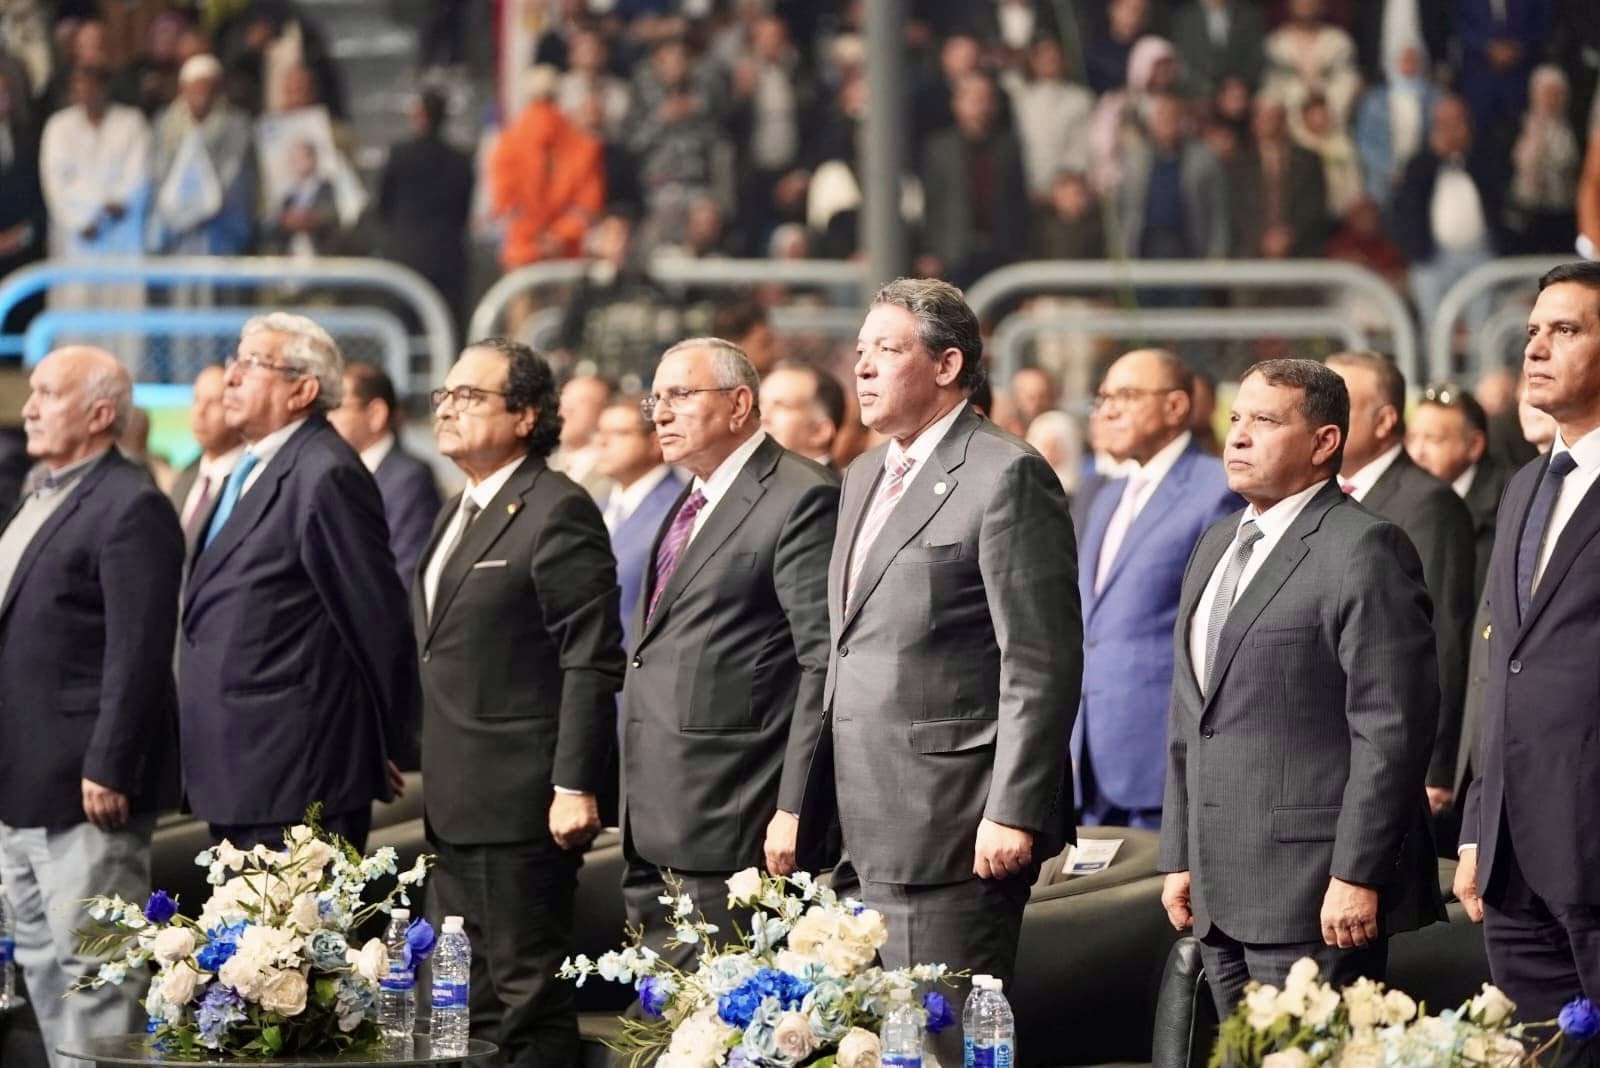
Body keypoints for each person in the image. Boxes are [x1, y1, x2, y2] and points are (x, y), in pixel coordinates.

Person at [796, 278, 1081, 1058]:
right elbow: (845, 648)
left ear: (948, 364)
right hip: (853, 824)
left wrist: (1014, 809)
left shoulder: (1006, 473)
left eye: (886, 350)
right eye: (859, 351)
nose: (862, 368)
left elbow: (1040, 660)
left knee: (941, 1047)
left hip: (950, 827)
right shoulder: (863, 474)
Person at [1159, 358, 1444, 1014]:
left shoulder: (1364, 548)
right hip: (1217, 890)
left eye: (1264, 420)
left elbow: (1392, 730)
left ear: (1324, 442)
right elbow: (1190, 715)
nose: (1237, 435)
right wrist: (1180, 853)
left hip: (1316, 895)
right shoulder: (1216, 542)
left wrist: (1357, 873)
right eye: (1236, 418)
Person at [417, 338, 626, 1068]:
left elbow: (590, 657)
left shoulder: (557, 508)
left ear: (526, 415)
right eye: (444, 395)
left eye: (469, 396)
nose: (448, 409)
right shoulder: (455, 511)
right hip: (455, 800)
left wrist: (573, 784)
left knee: (525, 1001)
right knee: (460, 1005)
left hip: (523, 802)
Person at [621, 337, 837, 965]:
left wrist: (795, 805)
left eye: (680, 395)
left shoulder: (800, 494)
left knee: (722, 1018)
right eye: (654, 400)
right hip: (656, 819)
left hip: (736, 826)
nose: (661, 413)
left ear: (740, 404)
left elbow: (821, 663)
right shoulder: (689, 499)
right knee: (659, 1016)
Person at [0, 346, 182, 1068]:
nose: (28, 408)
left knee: (98, 975)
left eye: (48, 393)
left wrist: (110, 764)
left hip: (86, 788)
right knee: (42, 967)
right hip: (23, 781)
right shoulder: (41, 493)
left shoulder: (132, 504)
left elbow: (140, 651)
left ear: (101, 413)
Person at [178, 313, 417, 850]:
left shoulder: (326, 471)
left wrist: (379, 737)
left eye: (252, 363)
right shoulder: (251, 468)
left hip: (297, 773)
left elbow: (376, 618)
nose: (231, 376)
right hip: (243, 765)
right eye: (234, 360)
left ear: (303, 390)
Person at [1456, 262, 1600, 1035]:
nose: (1536, 348)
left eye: (1565, 330)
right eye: (1533, 331)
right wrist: (1480, 824)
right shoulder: (1524, 487)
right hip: (1514, 855)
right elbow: (1503, 667)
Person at [1076, 350, 1241, 829]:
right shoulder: (1105, 496)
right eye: (1103, 398)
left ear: (1175, 406)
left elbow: (1222, 632)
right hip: (1088, 756)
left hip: (1160, 756)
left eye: (1126, 396)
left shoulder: (1217, 488)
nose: (1108, 410)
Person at [1326, 352, 1475, 818]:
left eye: (1337, 402)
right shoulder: (1325, 496)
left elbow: (1443, 636)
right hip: (1332, 752)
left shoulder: (1429, 503)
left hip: (1397, 758)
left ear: (1385, 419)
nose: (1320, 413)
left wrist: (1436, 765)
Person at [327, 362, 441, 586]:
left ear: (375, 414)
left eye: (337, 406)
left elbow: (407, 574)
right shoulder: (335, 474)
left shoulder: (408, 480)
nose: (328, 418)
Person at [377, 88, 473, 327]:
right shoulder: (460, 160)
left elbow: (384, 206)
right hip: (448, 257)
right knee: (448, 328)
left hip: (406, 258)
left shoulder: (399, 155)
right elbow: (464, 209)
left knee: (405, 331)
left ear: (419, 116)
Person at [594, 396, 685, 650]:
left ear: (655, 442)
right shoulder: (596, 506)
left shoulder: (680, 509)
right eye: (600, 432)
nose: (602, 442)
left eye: (619, 433)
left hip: (638, 660)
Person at [147, 53, 255, 256]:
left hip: (220, 224)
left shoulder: (236, 124)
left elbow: (234, 174)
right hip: (174, 228)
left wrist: (205, 203)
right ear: (183, 90)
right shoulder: (165, 123)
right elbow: (158, 172)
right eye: (195, 89)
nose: (201, 95)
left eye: (207, 89)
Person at [1406, 383, 1507, 597]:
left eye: (1433, 439)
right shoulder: (1406, 495)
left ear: (1474, 445)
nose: (1417, 453)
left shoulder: (1507, 500)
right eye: (1411, 439)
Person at [169, 364, 246, 552]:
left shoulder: (250, 480)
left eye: (214, 402)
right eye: (196, 400)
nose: (200, 412)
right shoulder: (186, 476)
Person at [758, 361, 845, 470]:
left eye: (781, 406)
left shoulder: (826, 482)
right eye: (758, 404)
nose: (762, 417)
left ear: (819, 432)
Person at [549, 375, 614, 499]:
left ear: (604, 411)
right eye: (563, 401)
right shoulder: (543, 464)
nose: (565, 411)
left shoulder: (615, 472)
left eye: (580, 402)